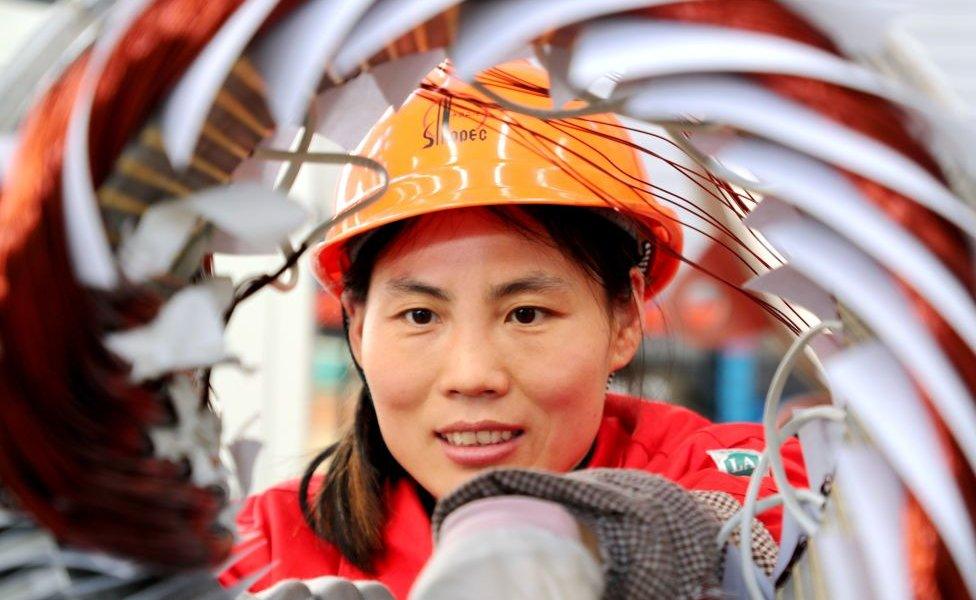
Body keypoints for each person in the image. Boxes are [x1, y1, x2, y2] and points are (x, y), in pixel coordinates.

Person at [221, 61, 807, 599]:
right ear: (356, 328)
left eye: (526, 314)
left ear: (624, 318)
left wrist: (593, 543)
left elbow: (749, 527)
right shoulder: (270, 548)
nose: (473, 375)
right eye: (420, 316)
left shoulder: (737, 472)